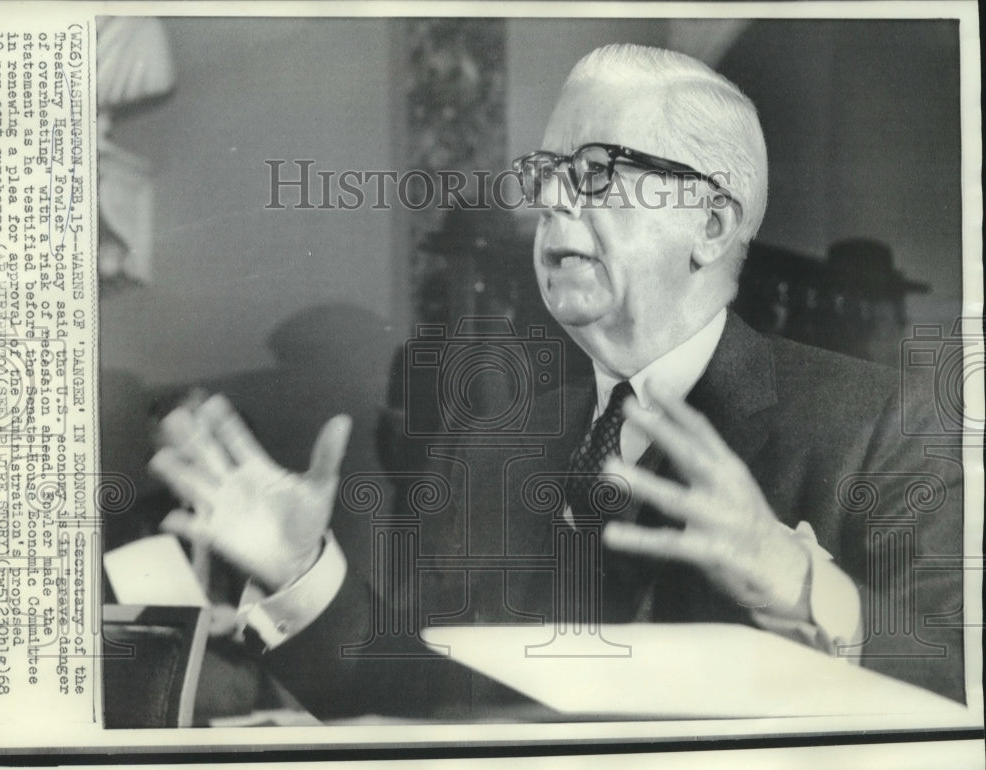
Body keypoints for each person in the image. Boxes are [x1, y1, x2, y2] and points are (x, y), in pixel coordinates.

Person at [148, 44, 965, 718]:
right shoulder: (492, 447)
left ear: (710, 226)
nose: (549, 198)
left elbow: (963, 688)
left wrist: (801, 587)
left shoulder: (886, 422)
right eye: (545, 171)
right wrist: (300, 574)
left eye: (599, 171)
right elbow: (424, 705)